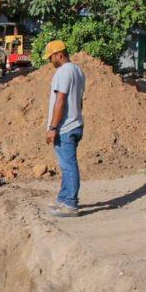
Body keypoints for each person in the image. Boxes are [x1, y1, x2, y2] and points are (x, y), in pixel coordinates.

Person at [43, 40, 85, 217]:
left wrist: (53, 127)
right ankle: (63, 200)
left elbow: (60, 101)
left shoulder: (63, 72)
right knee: (67, 165)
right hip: (76, 124)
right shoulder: (78, 71)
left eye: (51, 57)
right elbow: (79, 101)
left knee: (68, 167)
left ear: (59, 55)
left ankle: (70, 205)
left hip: (65, 127)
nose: (50, 61)